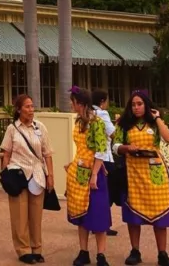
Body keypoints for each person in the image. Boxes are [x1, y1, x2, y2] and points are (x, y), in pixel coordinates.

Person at [113, 90, 169, 266]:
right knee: (133, 213)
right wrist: (126, 148)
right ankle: (135, 251)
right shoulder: (124, 124)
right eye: (133, 104)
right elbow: (115, 145)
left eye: (140, 104)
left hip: (155, 173)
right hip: (133, 173)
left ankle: (162, 253)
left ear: (147, 105)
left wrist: (157, 118)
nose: (136, 107)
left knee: (160, 212)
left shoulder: (155, 124)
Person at [0, 94, 54, 264]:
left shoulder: (40, 127)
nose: (31, 110)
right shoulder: (12, 129)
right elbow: (6, 154)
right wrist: (5, 175)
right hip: (18, 174)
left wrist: (50, 176)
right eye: (27, 107)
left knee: (36, 216)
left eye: (32, 106)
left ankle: (36, 248)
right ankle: (23, 250)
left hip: (37, 175)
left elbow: (47, 153)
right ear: (19, 109)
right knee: (19, 216)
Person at [66, 87, 112, 266]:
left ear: (81, 103)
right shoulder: (78, 122)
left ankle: (101, 255)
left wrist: (94, 175)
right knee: (81, 214)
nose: (72, 104)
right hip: (78, 172)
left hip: (94, 173)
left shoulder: (96, 123)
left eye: (73, 101)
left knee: (98, 214)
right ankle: (83, 251)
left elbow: (101, 149)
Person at [92, 89, 120, 237]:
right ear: (102, 101)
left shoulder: (89, 113)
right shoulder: (102, 114)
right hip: (105, 157)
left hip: (92, 157)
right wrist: (119, 123)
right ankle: (103, 223)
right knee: (107, 192)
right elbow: (112, 133)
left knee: (95, 192)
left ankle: (93, 221)